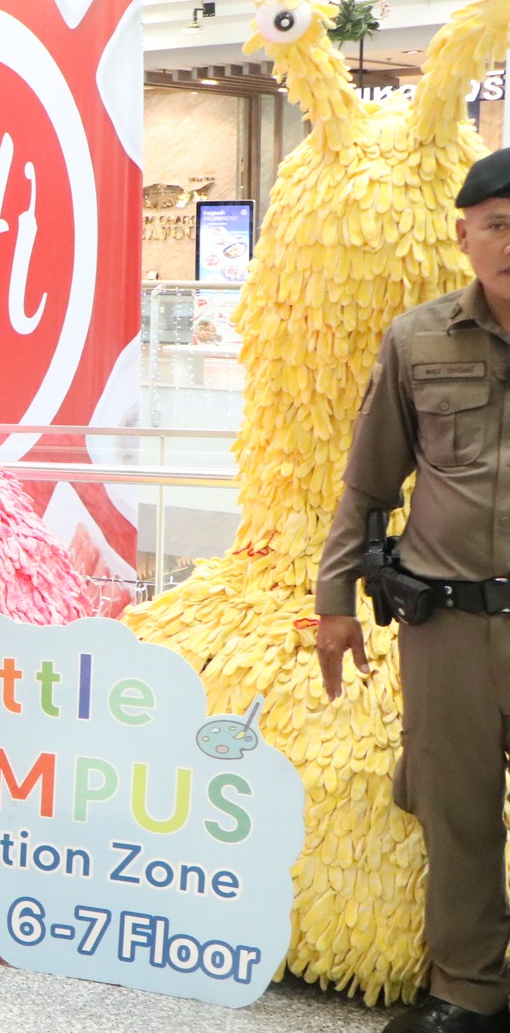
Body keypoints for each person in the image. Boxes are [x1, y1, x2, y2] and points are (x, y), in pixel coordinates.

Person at [317, 146, 510, 1033]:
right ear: (464, 236)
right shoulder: (417, 340)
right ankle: (467, 993)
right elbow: (369, 483)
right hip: (450, 626)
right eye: (497, 225)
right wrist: (334, 603)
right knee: (453, 806)